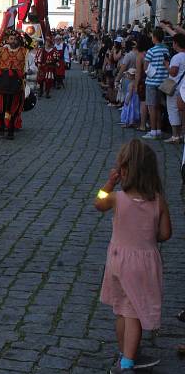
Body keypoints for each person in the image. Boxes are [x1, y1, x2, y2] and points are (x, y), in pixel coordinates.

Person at [96, 139, 170, 373]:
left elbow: (98, 203)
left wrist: (108, 183)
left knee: (122, 310)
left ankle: (124, 351)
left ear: (123, 170)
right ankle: (127, 362)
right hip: (143, 264)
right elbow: (166, 233)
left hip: (117, 261)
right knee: (134, 313)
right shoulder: (158, 201)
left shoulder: (117, 198)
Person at [0, 29, 28, 139]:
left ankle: (11, 129)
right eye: (11, 38)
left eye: (15, 39)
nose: (13, 41)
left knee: (14, 108)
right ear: (8, 40)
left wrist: (23, 33)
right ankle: (1, 126)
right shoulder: (1, 51)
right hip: (3, 82)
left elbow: (32, 45)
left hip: (16, 84)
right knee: (0, 107)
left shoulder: (24, 51)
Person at [142, 28, 170, 140]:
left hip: (152, 82)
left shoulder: (151, 51)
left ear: (154, 37)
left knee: (151, 107)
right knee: (158, 107)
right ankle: (158, 130)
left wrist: (151, 72)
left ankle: (153, 131)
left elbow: (145, 66)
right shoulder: (166, 50)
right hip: (163, 82)